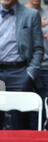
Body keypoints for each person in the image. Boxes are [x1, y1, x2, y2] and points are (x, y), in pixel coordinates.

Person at [0, 0, 44, 129]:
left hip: (19, 73)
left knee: (17, 124)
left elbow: (38, 48)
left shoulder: (31, 14)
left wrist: (30, 74)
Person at [25, 0, 48, 127]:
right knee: (19, 109)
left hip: (45, 67)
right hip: (22, 68)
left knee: (45, 109)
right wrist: (36, 26)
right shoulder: (19, 14)